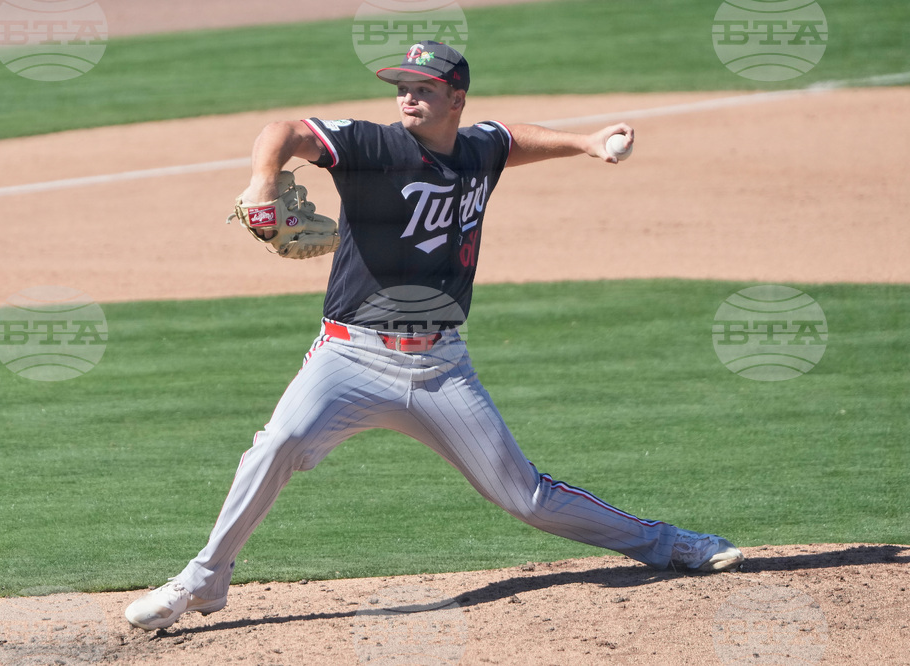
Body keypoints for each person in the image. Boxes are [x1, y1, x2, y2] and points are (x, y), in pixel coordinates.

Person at [125, 41, 743, 631]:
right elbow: (283, 132)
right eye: (402, 88)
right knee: (276, 443)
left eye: (424, 89)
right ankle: (204, 579)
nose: (408, 99)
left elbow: (508, 141)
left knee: (524, 497)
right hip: (350, 356)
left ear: (457, 99)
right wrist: (263, 180)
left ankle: (669, 544)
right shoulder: (369, 145)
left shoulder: (476, 150)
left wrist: (584, 143)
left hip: (442, 367)